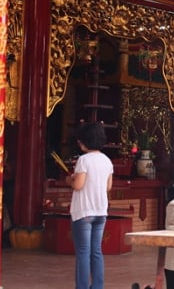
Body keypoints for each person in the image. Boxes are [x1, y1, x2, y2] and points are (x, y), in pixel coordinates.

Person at [66, 122, 114, 289]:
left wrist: (69, 179)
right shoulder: (107, 161)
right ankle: (98, 286)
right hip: (101, 211)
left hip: (84, 211)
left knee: (83, 253)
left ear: (84, 141)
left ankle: (82, 287)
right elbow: (108, 187)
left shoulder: (83, 160)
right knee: (96, 252)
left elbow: (78, 185)